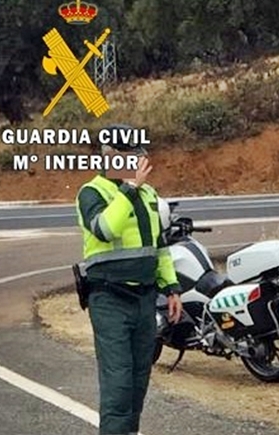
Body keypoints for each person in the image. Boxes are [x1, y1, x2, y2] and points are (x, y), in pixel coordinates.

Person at [75, 124, 183, 435]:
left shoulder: (149, 193)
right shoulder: (92, 192)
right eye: (132, 155)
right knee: (118, 382)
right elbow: (105, 229)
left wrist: (172, 288)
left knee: (138, 379)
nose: (140, 160)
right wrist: (129, 189)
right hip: (109, 298)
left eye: (140, 154)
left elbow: (158, 247)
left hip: (144, 299)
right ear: (111, 157)